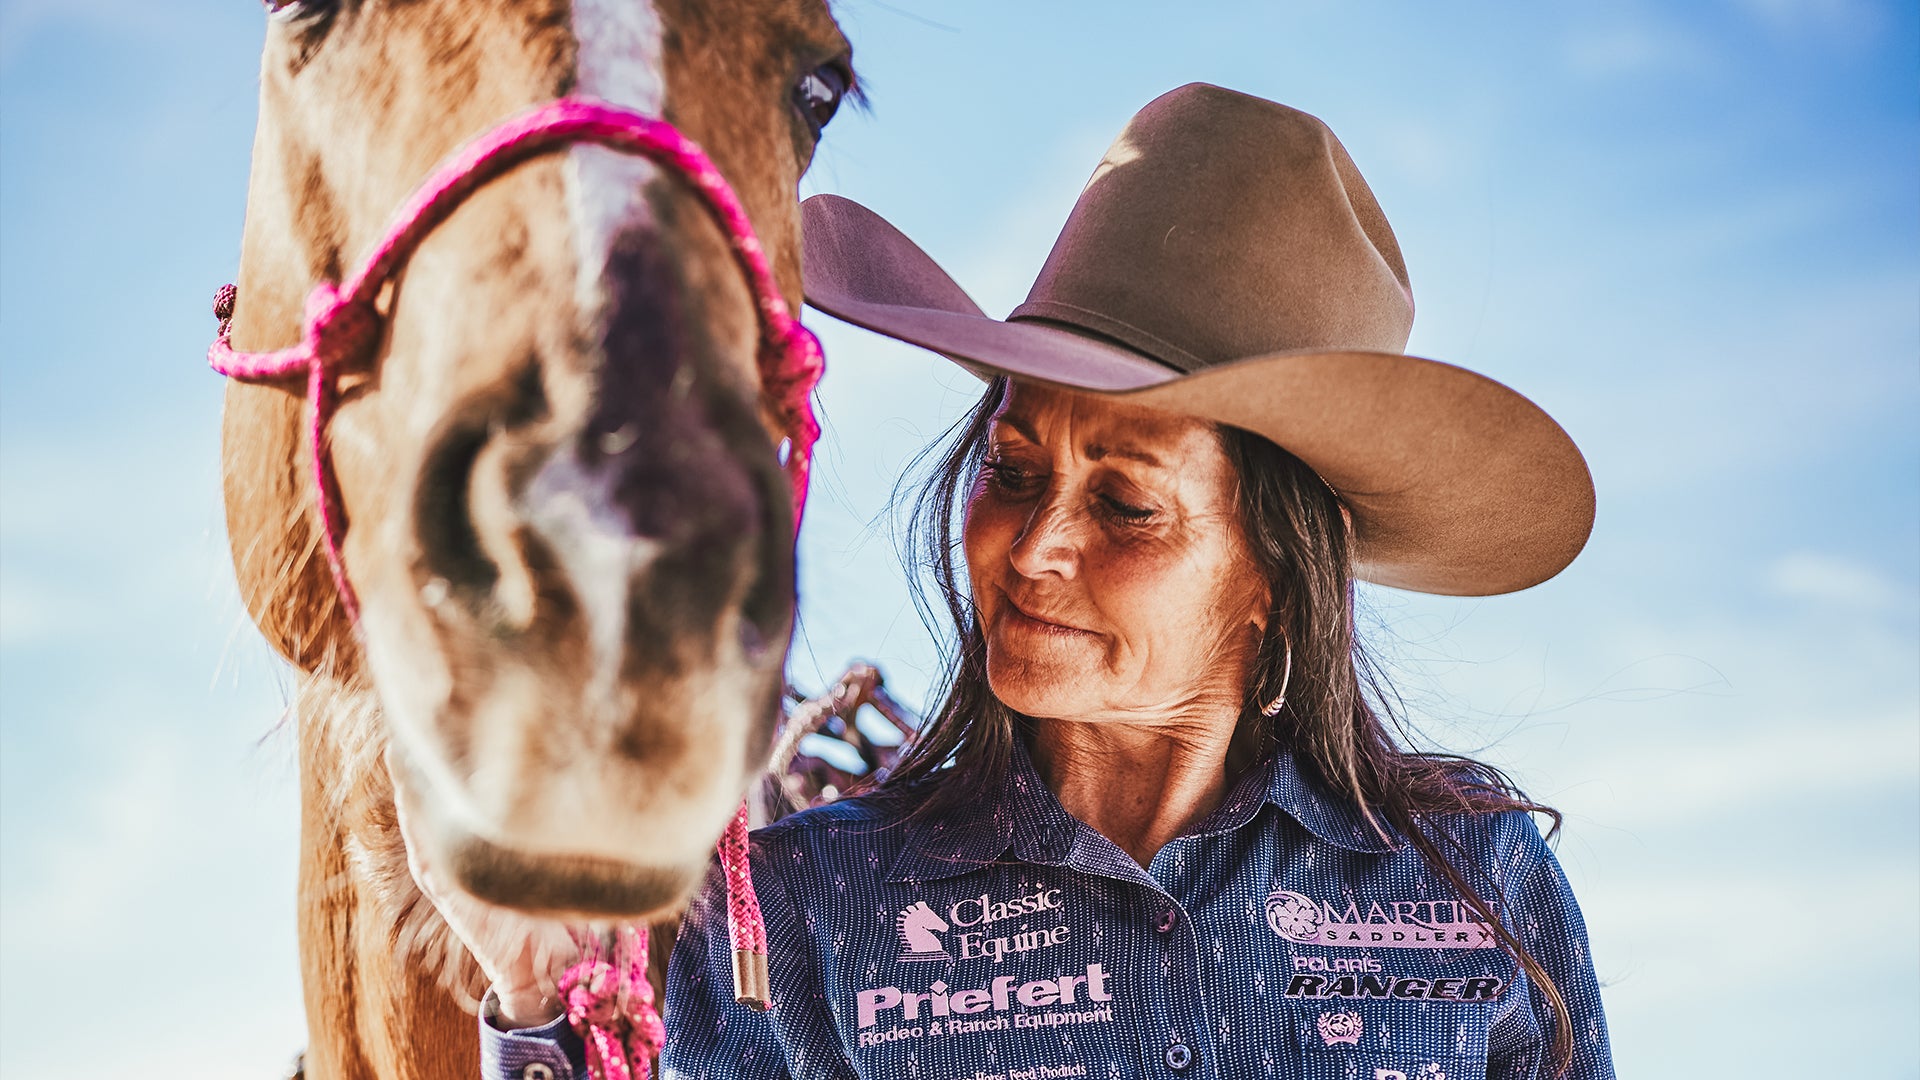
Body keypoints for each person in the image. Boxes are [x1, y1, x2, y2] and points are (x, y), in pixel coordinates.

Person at [471, 82, 1613, 1080]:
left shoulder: (1477, 886)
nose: (1032, 549)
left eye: (1125, 506)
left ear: (1275, 573)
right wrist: (534, 1008)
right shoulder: (804, 912)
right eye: (1013, 472)